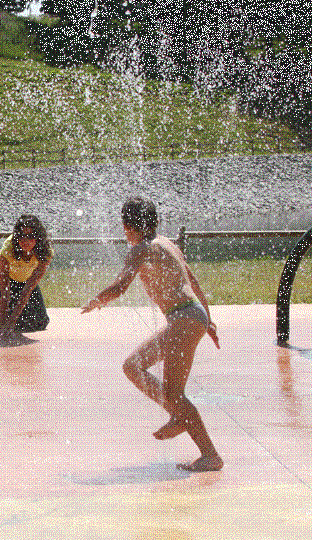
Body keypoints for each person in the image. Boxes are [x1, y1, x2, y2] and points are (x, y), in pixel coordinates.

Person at [80, 196, 223, 472]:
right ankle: (178, 415)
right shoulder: (167, 243)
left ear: (127, 226)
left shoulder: (140, 249)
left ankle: (209, 453)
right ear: (154, 221)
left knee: (171, 391)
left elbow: (121, 286)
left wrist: (97, 300)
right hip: (190, 315)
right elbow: (193, 281)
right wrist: (209, 320)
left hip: (184, 318)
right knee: (135, 368)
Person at [0, 214, 52, 338]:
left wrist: (10, 324)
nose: (25, 241)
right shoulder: (9, 249)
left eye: (31, 236)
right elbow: (6, 294)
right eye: (22, 236)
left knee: (41, 321)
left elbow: (27, 291)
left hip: (24, 279)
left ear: (38, 237)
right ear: (17, 237)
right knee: (15, 316)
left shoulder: (45, 252)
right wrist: (2, 328)